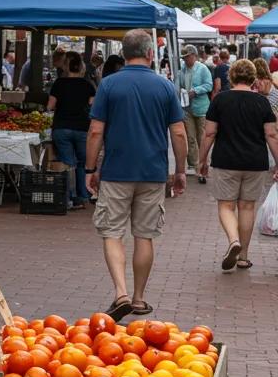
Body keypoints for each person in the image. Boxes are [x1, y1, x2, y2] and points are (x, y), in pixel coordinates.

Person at [84, 30, 186, 322]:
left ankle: (121, 293)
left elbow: (95, 131)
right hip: (153, 173)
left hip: (117, 171)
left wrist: (90, 169)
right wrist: (179, 170)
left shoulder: (109, 85)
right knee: (145, 235)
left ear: (124, 53)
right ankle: (139, 298)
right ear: (150, 53)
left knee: (112, 232)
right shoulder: (164, 86)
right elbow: (178, 132)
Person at [199, 58, 278, 272]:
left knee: (226, 205)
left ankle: (233, 240)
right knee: (247, 207)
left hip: (226, 160)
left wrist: (201, 159)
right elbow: (271, 134)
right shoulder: (262, 102)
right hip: (255, 161)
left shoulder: (220, 100)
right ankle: (243, 256)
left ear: (231, 76)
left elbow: (210, 132)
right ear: (253, 78)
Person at [48, 51, 96, 209]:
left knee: (67, 163)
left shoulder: (59, 83)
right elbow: (93, 106)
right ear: (81, 66)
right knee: (83, 163)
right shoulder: (88, 85)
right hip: (82, 127)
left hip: (61, 127)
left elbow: (50, 106)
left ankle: (67, 197)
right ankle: (82, 196)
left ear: (65, 65)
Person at [178, 44, 213, 185]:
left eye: (187, 57)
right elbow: (179, 84)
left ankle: (203, 166)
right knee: (190, 138)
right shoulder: (182, 69)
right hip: (187, 108)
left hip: (201, 108)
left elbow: (209, 85)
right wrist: (181, 91)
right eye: (184, 58)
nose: (185, 60)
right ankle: (193, 165)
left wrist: (196, 90)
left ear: (194, 55)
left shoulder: (202, 68)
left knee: (202, 138)